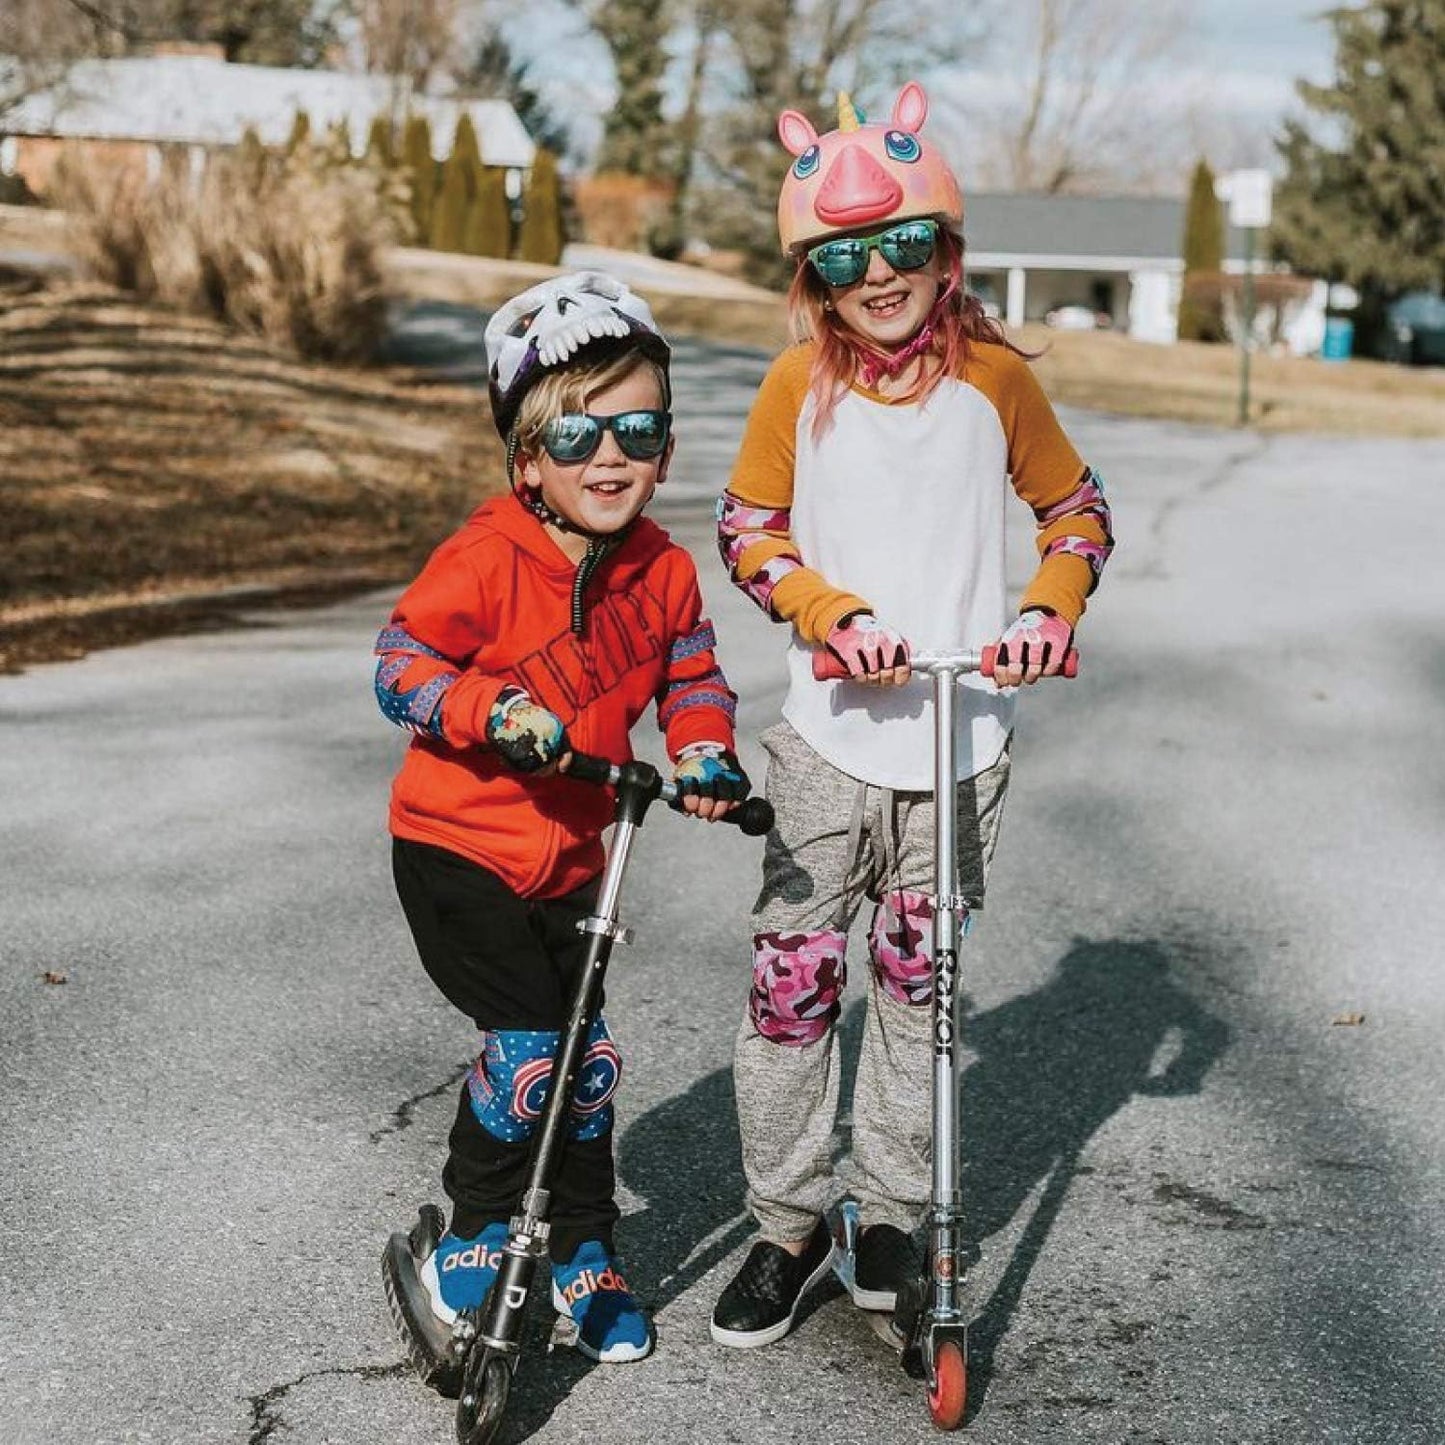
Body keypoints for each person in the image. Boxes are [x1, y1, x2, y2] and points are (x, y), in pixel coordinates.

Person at [708, 84, 1114, 1348]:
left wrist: (1049, 607)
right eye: (841, 259)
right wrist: (822, 608)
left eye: (899, 248)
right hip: (827, 741)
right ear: (812, 280)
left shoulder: (993, 380)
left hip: (958, 737)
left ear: (944, 251)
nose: (876, 276)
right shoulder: (794, 388)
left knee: (916, 991)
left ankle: (885, 1212)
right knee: (792, 990)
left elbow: (1075, 511)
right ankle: (786, 1227)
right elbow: (744, 528)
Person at [374, 271, 749, 1365]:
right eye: (577, 433)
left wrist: (703, 748)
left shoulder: (664, 571)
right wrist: (494, 709)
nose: (611, 455)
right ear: (526, 458)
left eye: (638, 427)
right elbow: (400, 665)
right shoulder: (487, 555)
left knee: (587, 1063)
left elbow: (692, 673)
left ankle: (586, 1252)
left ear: (667, 446)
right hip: (457, 847)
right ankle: (478, 1239)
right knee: (537, 1048)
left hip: (579, 856)